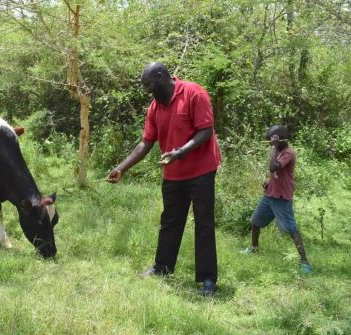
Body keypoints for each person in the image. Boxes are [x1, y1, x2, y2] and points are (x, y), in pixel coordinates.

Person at [106, 62, 222, 296]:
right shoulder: (155, 107)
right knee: (170, 220)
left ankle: (208, 279)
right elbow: (146, 142)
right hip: (173, 173)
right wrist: (121, 168)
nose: (146, 91)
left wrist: (180, 152)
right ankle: (162, 267)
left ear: (161, 77)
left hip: (201, 169)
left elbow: (206, 130)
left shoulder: (194, 93)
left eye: (148, 86)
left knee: (203, 223)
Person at [241, 125, 313, 274]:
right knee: (255, 222)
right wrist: (269, 183)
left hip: (281, 198)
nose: (270, 144)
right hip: (269, 195)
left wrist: (273, 148)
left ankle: (305, 261)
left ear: (279, 139)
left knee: (291, 229)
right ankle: (254, 248)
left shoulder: (288, 153)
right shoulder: (279, 151)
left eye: (272, 141)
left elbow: (274, 168)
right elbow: (275, 174)